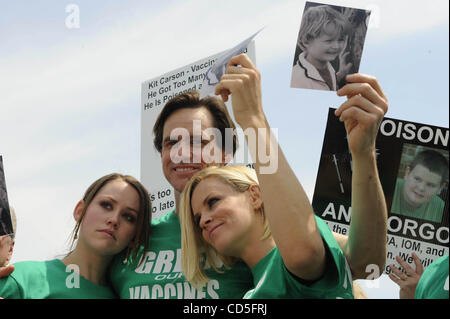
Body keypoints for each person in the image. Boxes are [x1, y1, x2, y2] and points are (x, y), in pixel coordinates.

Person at [179, 54, 388, 298]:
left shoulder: (310, 236)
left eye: (213, 202)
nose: (204, 220)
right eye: (197, 219)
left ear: (256, 195)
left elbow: (367, 263)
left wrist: (363, 153)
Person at [0, 173, 151, 299]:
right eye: (106, 205)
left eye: (129, 217)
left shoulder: (126, 295)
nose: (114, 219)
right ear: (80, 211)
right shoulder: (21, 279)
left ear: (135, 237)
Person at [291, 5, 352, 91]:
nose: (336, 46)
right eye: (329, 41)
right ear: (307, 41)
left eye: (340, 40)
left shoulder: (326, 66)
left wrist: (340, 75)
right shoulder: (297, 79)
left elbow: (326, 85)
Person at [391, 149, 448, 223]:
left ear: (440, 188)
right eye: (417, 179)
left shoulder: (442, 210)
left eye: (430, 185)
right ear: (407, 173)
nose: (421, 188)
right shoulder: (386, 189)